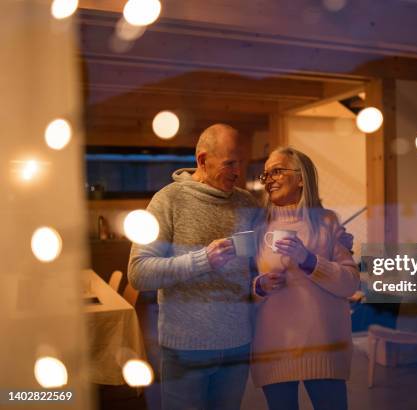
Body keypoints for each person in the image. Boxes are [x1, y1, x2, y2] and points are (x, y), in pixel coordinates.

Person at [128, 124, 259, 410]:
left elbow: (259, 265)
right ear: (202, 160)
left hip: (237, 346)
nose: (238, 171)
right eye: (230, 163)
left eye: (242, 162)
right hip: (185, 351)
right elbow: (138, 273)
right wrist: (202, 260)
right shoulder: (168, 200)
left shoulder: (248, 203)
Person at [251, 147, 360, 410]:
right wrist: (260, 287)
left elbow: (350, 283)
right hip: (273, 348)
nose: (270, 179)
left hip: (323, 347)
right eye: (266, 174)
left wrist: (309, 261)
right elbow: (240, 291)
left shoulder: (327, 222)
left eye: (277, 170)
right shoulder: (257, 227)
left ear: (301, 178)